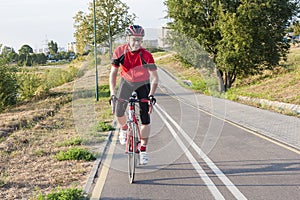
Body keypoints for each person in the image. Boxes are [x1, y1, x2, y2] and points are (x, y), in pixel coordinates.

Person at [109, 25, 159, 165]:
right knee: (118, 110)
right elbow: (113, 74)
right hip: (126, 81)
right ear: (127, 39)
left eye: (140, 40)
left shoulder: (146, 55)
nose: (137, 43)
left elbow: (154, 77)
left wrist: (151, 95)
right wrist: (113, 94)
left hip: (143, 83)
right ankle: (124, 129)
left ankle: (143, 149)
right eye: (134, 39)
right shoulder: (120, 52)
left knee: (145, 118)